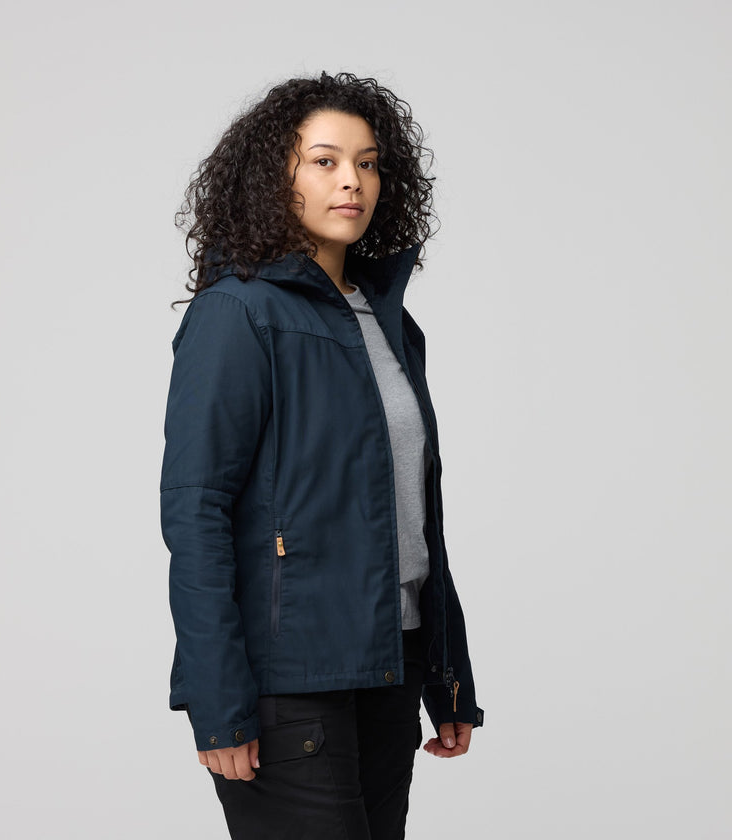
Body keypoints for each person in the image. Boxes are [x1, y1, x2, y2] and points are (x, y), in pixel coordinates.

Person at [160, 71, 484, 840]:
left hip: (390, 667)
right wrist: (218, 700)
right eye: (325, 161)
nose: (352, 181)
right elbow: (197, 511)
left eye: (367, 163)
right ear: (276, 178)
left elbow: (415, 516)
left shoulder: (387, 323)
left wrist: (448, 678)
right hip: (290, 684)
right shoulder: (238, 312)